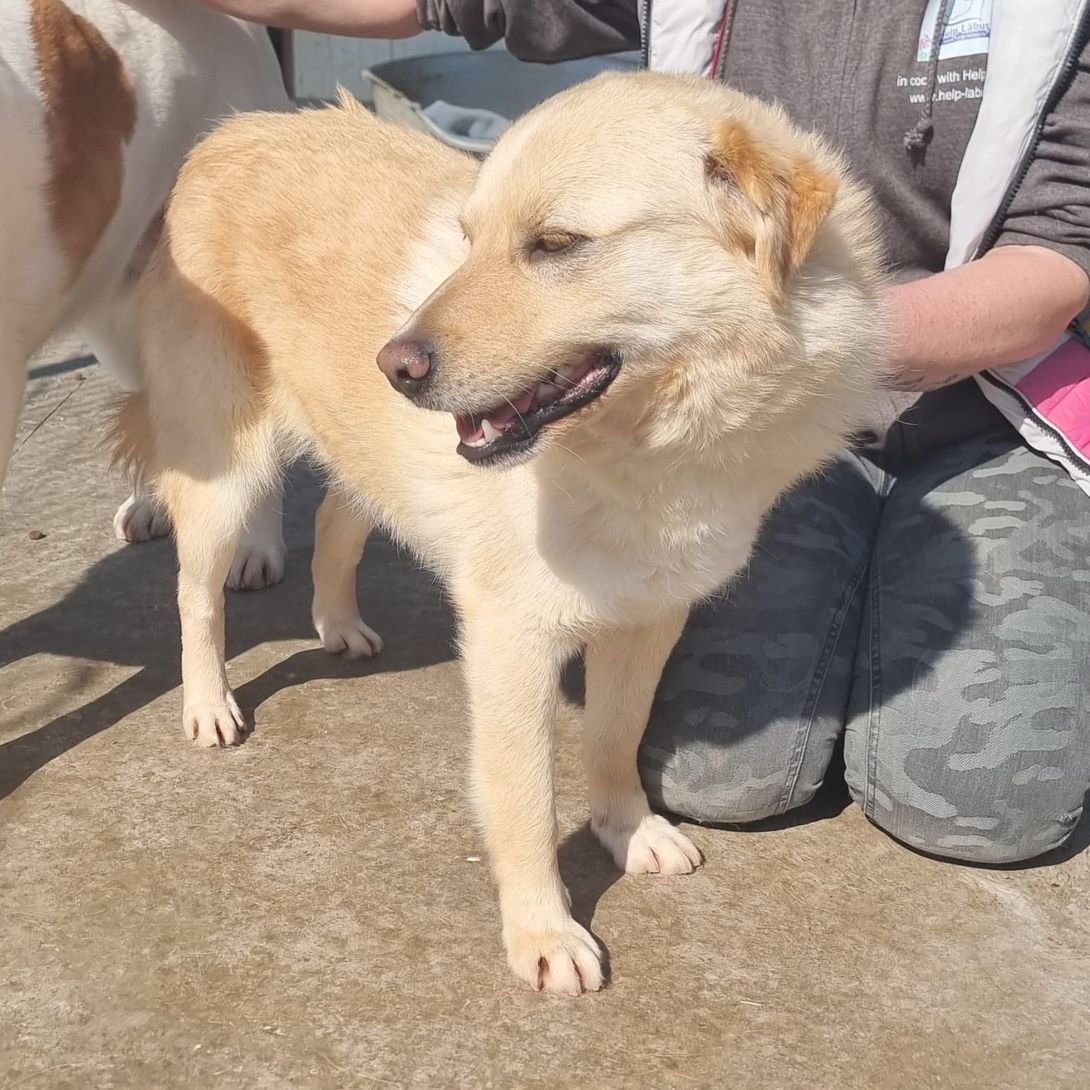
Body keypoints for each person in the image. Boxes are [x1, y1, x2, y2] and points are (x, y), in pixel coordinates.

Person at [198, 0, 1090, 864]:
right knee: (724, 775)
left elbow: (1058, 256)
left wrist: (807, 347)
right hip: (743, 430)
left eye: (556, 244)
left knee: (980, 796)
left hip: (986, 417)